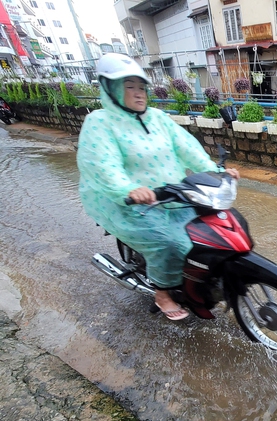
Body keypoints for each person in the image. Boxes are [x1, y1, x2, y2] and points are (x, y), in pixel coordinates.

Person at [77, 53, 239, 321]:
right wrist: (129, 189)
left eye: (141, 87)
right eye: (129, 87)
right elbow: (103, 165)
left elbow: (187, 148)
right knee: (171, 242)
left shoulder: (158, 118)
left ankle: (196, 280)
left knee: (212, 227)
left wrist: (217, 171)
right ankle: (162, 292)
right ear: (111, 89)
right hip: (129, 203)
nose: (139, 94)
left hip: (172, 193)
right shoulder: (100, 123)